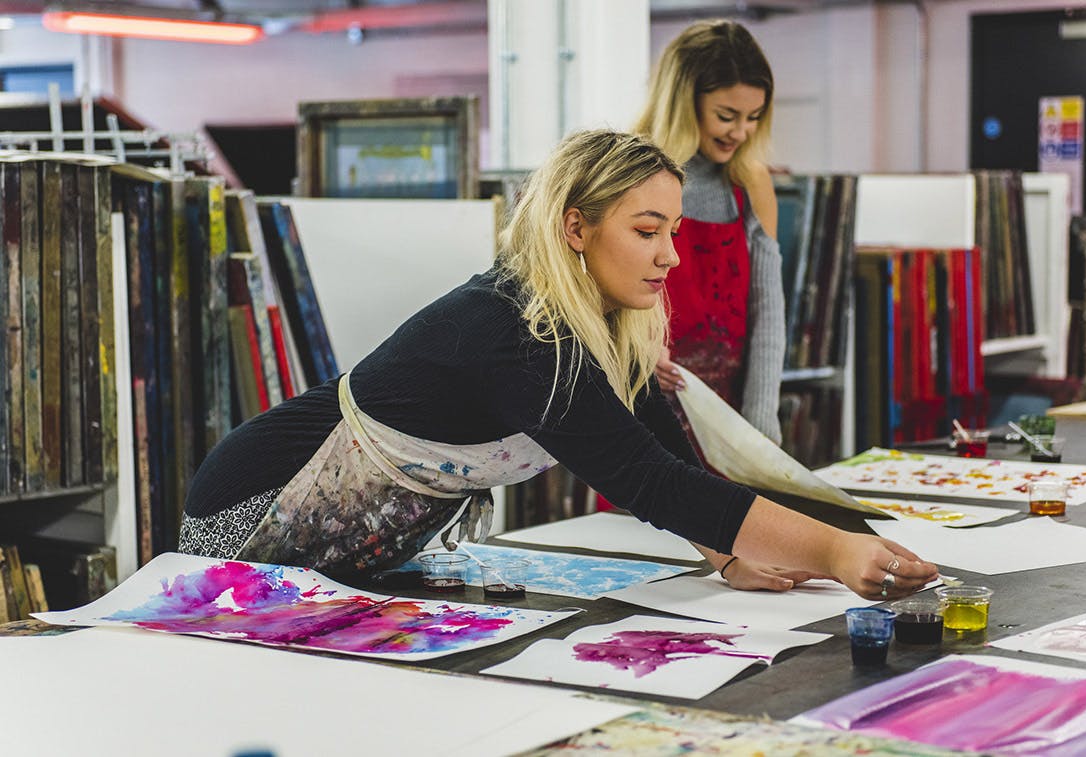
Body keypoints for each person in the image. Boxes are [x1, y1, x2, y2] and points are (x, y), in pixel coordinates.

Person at [179, 129, 936, 601]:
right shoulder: (513, 330)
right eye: (648, 230)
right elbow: (650, 482)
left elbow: (665, 457)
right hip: (258, 512)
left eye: (672, 229)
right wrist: (837, 549)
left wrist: (727, 554)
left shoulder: (600, 326)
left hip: (350, 545)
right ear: (577, 227)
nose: (670, 254)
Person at [634, 20, 784, 444]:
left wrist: (761, 428)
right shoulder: (628, 175)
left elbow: (768, 315)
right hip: (645, 417)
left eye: (754, 118)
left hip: (729, 423)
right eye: (726, 116)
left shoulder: (750, 184)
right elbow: (594, 298)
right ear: (684, 102)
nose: (741, 132)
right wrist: (637, 356)